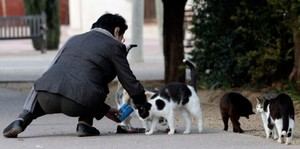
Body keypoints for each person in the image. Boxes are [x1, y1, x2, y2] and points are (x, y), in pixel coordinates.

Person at [3, 13, 148, 137]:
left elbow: (50, 70)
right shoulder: (115, 46)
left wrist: (105, 110)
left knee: (48, 81)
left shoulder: (72, 39)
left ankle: (21, 120)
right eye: (122, 36)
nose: (122, 40)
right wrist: (142, 103)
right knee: (96, 79)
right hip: (78, 104)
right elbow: (127, 79)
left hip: (46, 98)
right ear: (117, 31)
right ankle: (84, 124)